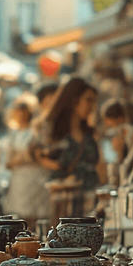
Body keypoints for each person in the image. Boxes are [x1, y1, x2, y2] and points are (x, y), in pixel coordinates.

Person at [34, 77, 100, 219]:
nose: (92, 106)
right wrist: (60, 169)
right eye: (88, 100)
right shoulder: (51, 130)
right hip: (61, 204)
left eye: (93, 101)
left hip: (88, 204)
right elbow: (39, 156)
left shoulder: (89, 133)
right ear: (74, 100)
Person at [1, 93, 50, 226]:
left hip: (36, 178)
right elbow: (8, 162)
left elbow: (40, 154)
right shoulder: (13, 134)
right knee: (21, 215)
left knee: (37, 215)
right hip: (20, 180)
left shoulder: (36, 131)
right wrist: (24, 158)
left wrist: (27, 157)